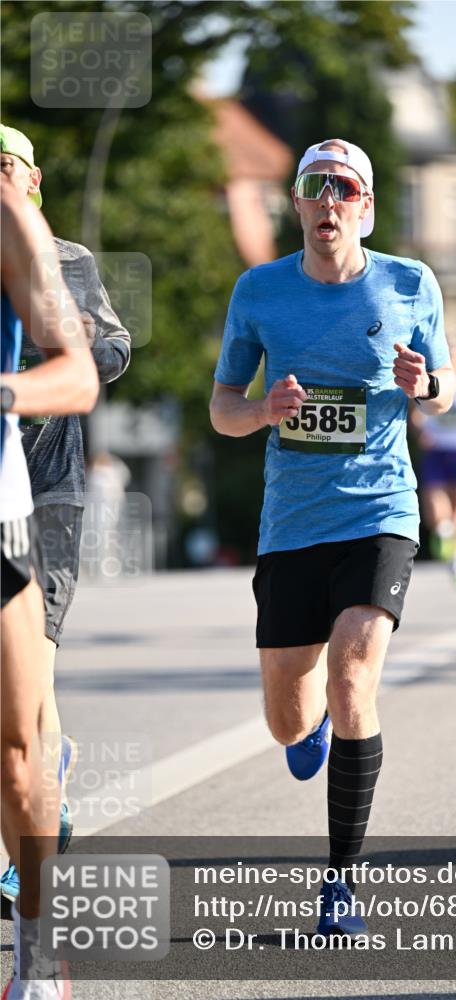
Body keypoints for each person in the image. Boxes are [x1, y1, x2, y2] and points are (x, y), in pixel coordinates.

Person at [210, 138, 455, 936]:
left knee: (354, 677)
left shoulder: (410, 283)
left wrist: (429, 387)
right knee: (288, 719)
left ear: (366, 206)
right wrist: (263, 409)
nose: (327, 202)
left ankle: (340, 882)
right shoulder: (259, 291)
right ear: (296, 205)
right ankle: (305, 724)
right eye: (313, 188)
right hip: (292, 522)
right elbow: (222, 409)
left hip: (380, 511)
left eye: (343, 189)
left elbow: (448, 389)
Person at [0, 125, 131, 904]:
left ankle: (28, 851)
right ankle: (45, 772)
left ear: (34, 178)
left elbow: (108, 352)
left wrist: (69, 341)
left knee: (33, 679)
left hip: (42, 491)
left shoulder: (67, 260)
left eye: (7, 165)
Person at [1, 178, 99, 999]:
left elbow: (90, 364)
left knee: (21, 736)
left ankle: (35, 956)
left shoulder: (36, 240)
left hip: (25, 503)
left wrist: (7, 388)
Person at [411, 338, 456, 592]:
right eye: (448, 354)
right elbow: (417, 414)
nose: (453, 358)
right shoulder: (433, 380)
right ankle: (445, 532)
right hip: (437, 451)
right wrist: (421, 430)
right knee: (436, 512)